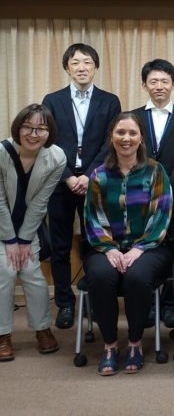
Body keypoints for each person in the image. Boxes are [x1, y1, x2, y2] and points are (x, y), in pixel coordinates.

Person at [83, 112, 173, 376]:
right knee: (100, 275)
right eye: (121, 133)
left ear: (141, 138)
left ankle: (135, 342)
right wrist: (110, 249)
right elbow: (92, 217)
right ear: (111, 137)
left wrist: (138, 248)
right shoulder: (99, 175)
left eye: (132, 133)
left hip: (150, 246)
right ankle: (110, 345)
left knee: (137, 276)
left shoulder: (156, 171)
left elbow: (162, 214)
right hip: (105, 246)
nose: (126, 138)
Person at [42, 43, 122, 329]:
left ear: (95, 67)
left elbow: (110, 140)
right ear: (67, 68)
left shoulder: (109, 101)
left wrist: (88, 175)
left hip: (96, 180)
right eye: (75, 63)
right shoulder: (52, 100)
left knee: (95, 242)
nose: (82, 67)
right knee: (60, 246)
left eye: (87, 62)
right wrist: (67, 175)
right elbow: (45, 141)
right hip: (59, 180)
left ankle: (94, 300)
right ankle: (65, 302)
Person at [130, 59, 174, 328]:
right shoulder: (132, 117)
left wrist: (164, 185)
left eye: (165, 81)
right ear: (144, 85)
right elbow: (127, 153)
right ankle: (146, 303)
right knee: (143, 247)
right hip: (138, 196)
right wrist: (144, 186)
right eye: (153, 81)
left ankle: (170, 304)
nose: (159, 86)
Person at [0, 105, 66, 361]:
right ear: (18, 127)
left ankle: (42, 329)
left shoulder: (56, 157)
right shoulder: (2, 152)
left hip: (29, 227)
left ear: (49, 132)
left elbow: (41, 202)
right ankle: (3, 335)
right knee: (5, 273)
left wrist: (24, 239)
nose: (34, 133)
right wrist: (10, 240)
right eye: (28, 126)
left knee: (33, 274)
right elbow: (0, 202)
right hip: (2, 227)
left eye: (41, 128)